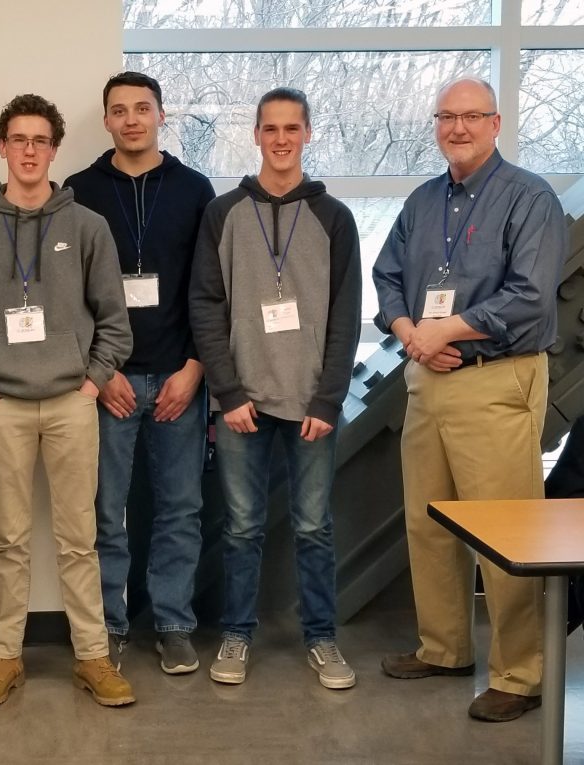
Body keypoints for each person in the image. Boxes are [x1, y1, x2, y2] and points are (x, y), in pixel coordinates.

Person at [374, 77, 566, 721]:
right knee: (428, 522)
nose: (457, 128)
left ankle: (521, 672)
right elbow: (388, 276)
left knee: (505, 533)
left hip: (495, 376)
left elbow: (531, 294)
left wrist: (446, 330)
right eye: (446, 117)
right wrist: (411, 335)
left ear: (496, 122)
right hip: (428, 376)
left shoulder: (529, 197)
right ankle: (445, 646)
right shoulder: (424, 200)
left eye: (471, 117)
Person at [0, 94, 135, 707]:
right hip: (3, 406)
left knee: (81, 539)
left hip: (73, 403)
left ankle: (94, 658)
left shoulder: (86, 227)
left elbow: (114, 322)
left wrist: (90, 382)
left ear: (54, 149)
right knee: (9, 541)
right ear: (2, 147)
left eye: (40, 141)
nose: (29, 151)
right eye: (18, 140)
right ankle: (3, 659)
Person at [190, 87, 361, 690]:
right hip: (244, 402)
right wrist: (229, 392)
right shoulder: (224, 211)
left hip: (311, 402)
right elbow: (206, 306)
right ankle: (236, 636)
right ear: (257, 136)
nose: (282, 139)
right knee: (240, 527)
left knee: (314, 527)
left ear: (308, 134)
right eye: (271, 129)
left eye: (293, 128)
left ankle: (322, 640)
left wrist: (328, 400)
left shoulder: (334, 217)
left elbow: (346, 314)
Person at [64, 71, 214, 673]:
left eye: (142, 109)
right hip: (109, 382)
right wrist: (99, 372)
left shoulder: (195, 189)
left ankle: (174, 624)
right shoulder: (77, 191)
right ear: (105, 120)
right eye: (119, 110)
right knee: (105, 511)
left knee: (181, 508)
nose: (131, 119)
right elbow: (66, 297)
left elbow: (211, 289)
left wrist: (196, 369)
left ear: (160, 116)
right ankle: (108, 627)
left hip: (179, 376)